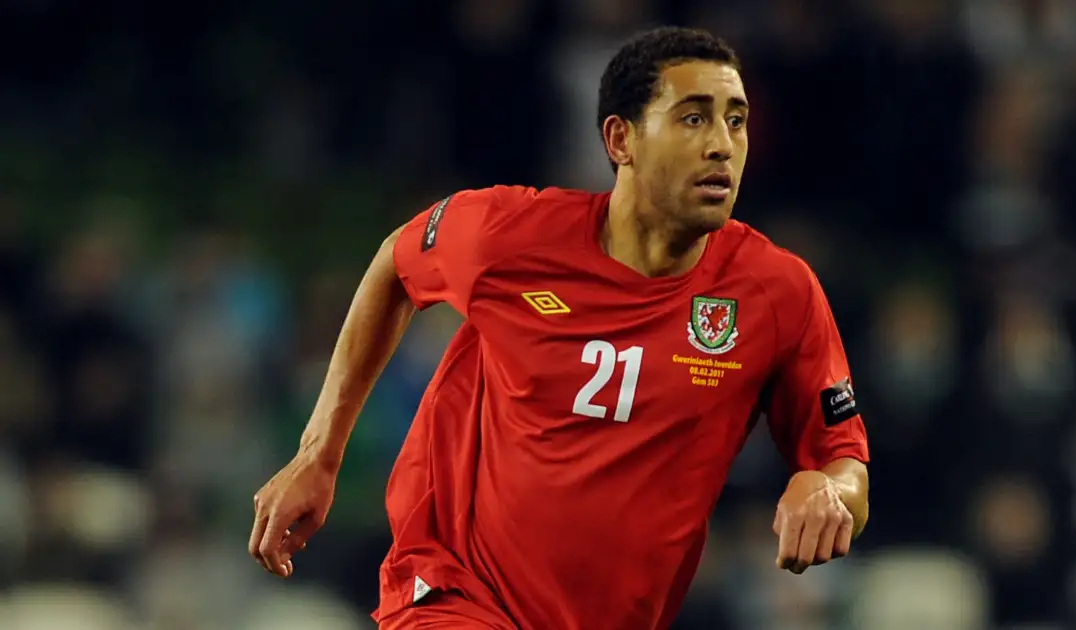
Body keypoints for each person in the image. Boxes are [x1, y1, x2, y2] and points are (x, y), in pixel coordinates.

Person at [248, 26, 870, 630]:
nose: (722, 145)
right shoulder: (511, 235)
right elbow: (397, 262)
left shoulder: (776, 292)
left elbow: (847, 465)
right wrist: (318, 454)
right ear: (621, 139)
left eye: (736, 120)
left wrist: (826, 490)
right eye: (693, 118)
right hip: (453, 594)